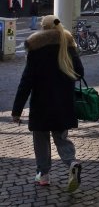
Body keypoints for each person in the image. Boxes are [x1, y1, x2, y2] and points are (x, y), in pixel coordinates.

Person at [11, 15, 84, 192]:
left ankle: (43, 175)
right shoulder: (68, 46)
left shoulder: (36, 49)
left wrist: (17, 110)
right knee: (61, 138)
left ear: (43, 28)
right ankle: (71, 162)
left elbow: (26, 81)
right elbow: (80, 72)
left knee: (40, 140)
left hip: (41, 104)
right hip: (63, 102)